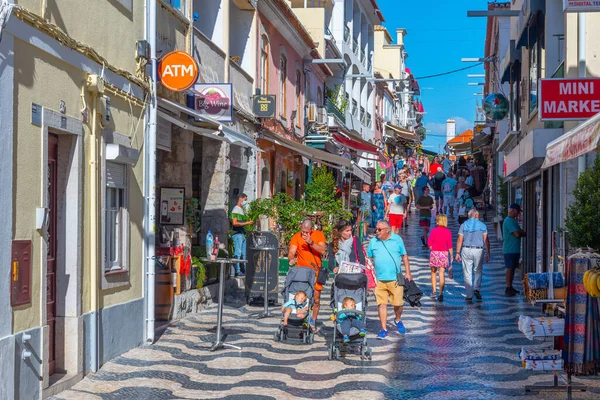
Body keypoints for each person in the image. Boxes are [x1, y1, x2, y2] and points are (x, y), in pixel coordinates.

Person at [367, 220, 413, 339]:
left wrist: (408, 272)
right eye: (376, 229)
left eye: (379, 230)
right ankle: (383, 329)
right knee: (381, 304)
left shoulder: (397, 239)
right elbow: (368, 259)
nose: (376, 232)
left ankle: (397, 319)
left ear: (387, 230)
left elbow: (404, 256)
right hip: (379, 280)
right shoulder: (373, 242)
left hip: (395, 279)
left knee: (398, 304)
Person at [288, 219, 327, 329]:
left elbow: (323, 250)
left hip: (315, 271)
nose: (304, 234)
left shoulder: (319, 235)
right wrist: (291, 259)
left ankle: (312, 320)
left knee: (316, 298)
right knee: (301, 296)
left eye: (307, 232)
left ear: (311, 229)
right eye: (303, 231)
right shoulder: (296, 236)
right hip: (302, 272)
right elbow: (291, 251)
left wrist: (311, 242)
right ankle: (299, 317)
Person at [455, 209, 490, 303]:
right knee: (478, 270)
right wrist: (488, 252)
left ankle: (469, 295)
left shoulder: (464, 225)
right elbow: (486, 240)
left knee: (467, 273)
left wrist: (457, 252)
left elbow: (459, 239)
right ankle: (476, 288)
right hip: (479, 250)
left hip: (466, 249)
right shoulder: (482, 225)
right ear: (476, 215)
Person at [427, 214, 453, 302]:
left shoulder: (434, 231)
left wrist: (433, 249)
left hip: (435, 252)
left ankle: (434, 291)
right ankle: (441, 293)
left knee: (433, 272)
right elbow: (450, 246)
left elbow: (429, 243)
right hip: (444, 254)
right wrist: (452, 255)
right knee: (441, 274)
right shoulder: (448, 232)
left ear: (438, 221)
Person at [503, 203, 525, 296]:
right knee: (510, 268)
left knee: (512, 269)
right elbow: (517, 233)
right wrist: (519, 232)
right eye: (518, 212)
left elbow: (521, 232)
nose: (518, 214)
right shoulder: (509, 220)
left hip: (514, 249)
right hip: (509, 249)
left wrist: (520, 232)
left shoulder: (513, 220)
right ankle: (508, 288)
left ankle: (510, 287)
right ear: (513, 210)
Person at [230, 193, 254, 276]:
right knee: (238, 253)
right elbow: (234, 223)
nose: (245, 202)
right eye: (245, 200)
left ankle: (243, 270)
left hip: (242, 234)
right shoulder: (236, 209)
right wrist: (247, 223)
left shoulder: (241, 210)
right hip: (237, 234)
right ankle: (237, 271)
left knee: (244, 253)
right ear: (240, 198)